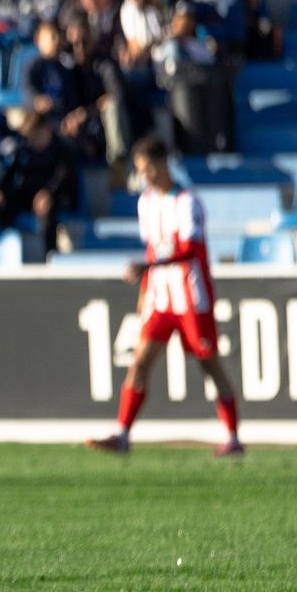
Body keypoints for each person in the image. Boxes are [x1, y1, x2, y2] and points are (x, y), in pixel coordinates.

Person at [87, 137, 244, 457]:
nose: (146, 176)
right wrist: (146, 289)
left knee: (209, 364)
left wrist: (148, 267)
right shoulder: (146, 202)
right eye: (141, 170)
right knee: (140, 361)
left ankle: (233, 436)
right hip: (161, 298)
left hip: (191, 297)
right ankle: (122, 434)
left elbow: (190, 249)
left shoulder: (187, 202)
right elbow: (152, 249)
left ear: (163, 163)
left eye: (149, 168)